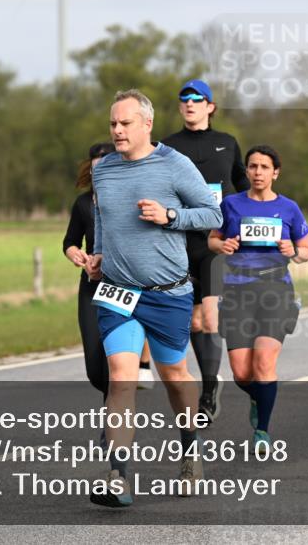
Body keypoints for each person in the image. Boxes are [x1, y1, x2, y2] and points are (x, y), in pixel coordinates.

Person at [87, 90, 222, 508]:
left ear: (146, 124)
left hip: (168, 294)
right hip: (117, 291)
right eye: (113, 124)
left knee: (176, 379)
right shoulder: (104, 171)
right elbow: (102, 219)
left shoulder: (174, 165)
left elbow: (213, 215)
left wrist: (170, 217)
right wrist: (98, 255)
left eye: (125, 124)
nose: (117, 131)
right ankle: (117, 476)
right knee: (121, 375)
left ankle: (190, 448)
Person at [209, 145, 308, 449]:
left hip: (275, 289)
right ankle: (258, 396)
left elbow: (306, 250)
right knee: (242, 372)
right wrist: (222, 246)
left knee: (264, 361)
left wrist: (293, 252)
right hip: (237, 290)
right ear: (247, 171)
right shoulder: (231, 204)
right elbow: (213, 239)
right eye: (252, 167)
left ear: (275, 173)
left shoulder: (289, 208)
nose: (258, 172)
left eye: (264, 167)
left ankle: (262, 432)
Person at [162, 78, 249, 421]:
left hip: (215, 241)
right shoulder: (167, 147)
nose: (189, 103)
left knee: (210, 316)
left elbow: (243, 186)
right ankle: (211, 382)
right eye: (184, 99)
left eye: (197, 99)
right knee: (194, 322)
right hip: (179, 243)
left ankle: (209, 392)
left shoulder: (226, 144)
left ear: (210, 106)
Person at [64, 143, 116, 403]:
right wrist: (74, 253)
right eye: (96, 171)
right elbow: (70, 241)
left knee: (116, 363)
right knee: (95, 369)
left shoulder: (130, 200)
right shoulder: (83, 204)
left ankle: (114, 426)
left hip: (123, 287)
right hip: (91, 287)